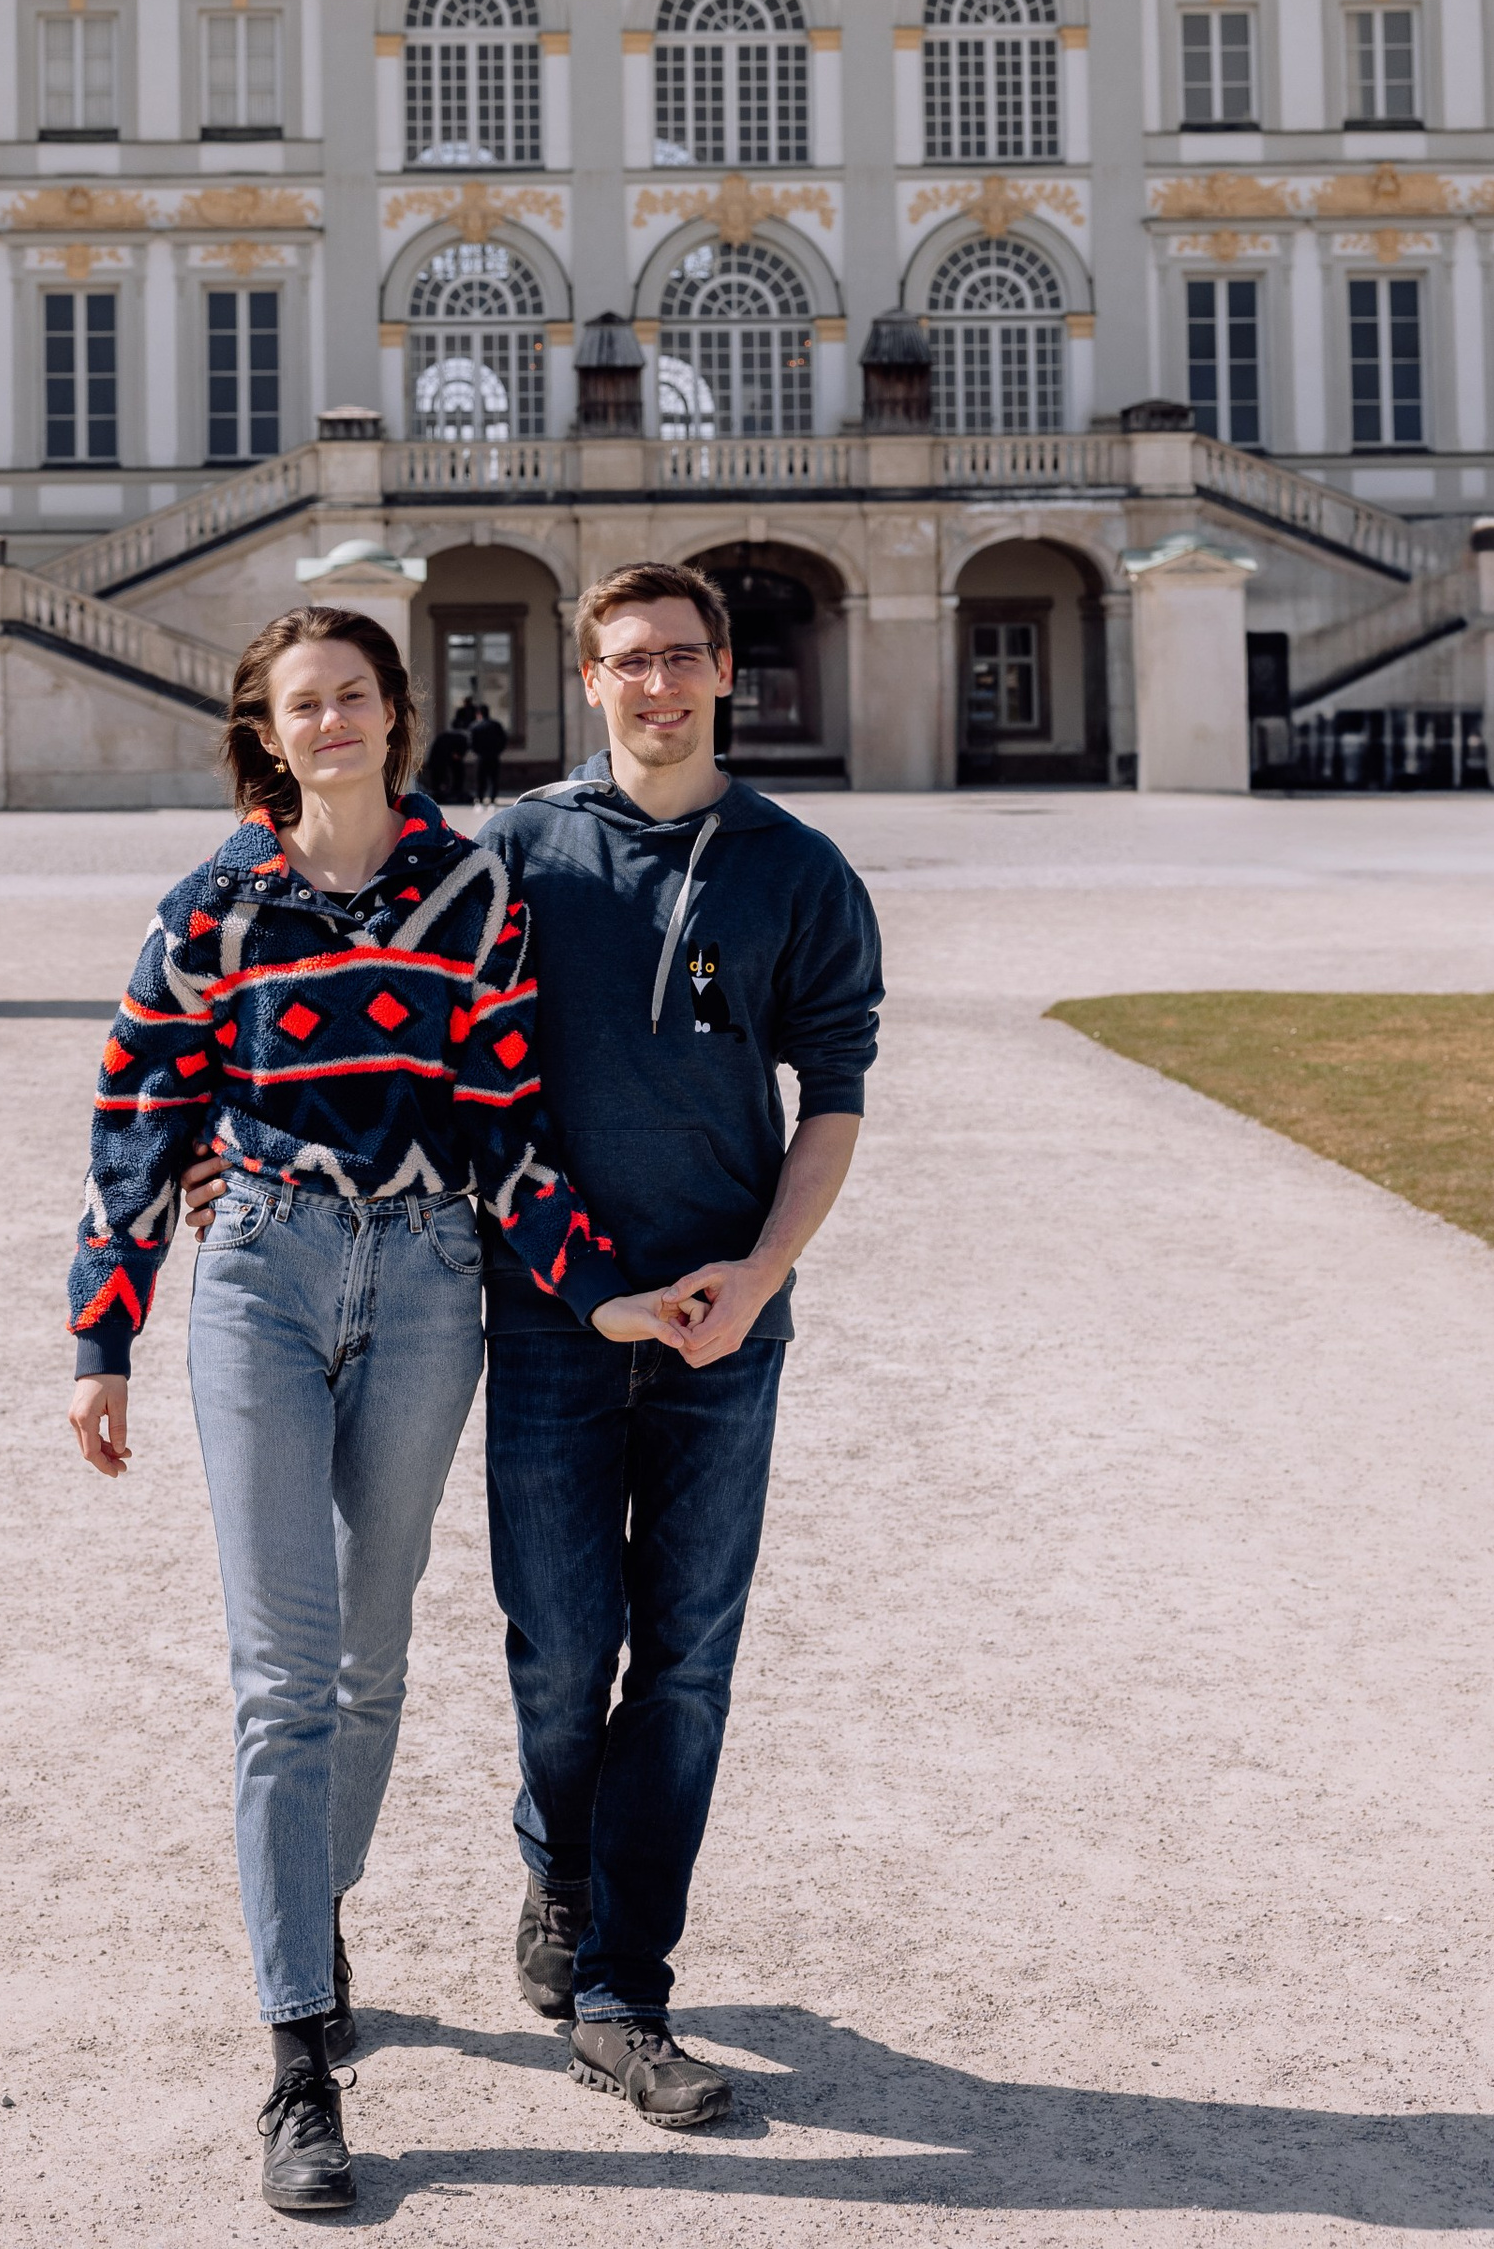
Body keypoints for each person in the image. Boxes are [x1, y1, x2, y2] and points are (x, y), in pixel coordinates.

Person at [66, 603, 699, 2221]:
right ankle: (297, 2055)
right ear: (265, 730)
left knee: (370, 1650)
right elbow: (141, 1104)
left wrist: (594, 1283)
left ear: (396, 714)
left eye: (355, 694)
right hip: (265, 1272)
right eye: (304, 702)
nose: (333, 720)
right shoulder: (218, 900)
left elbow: (507, 1117)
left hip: (427, 1280)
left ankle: (313, 1905)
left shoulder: (470, 888)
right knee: (282, 1676)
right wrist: (105, 1332)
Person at [474, 559, 884, 2125]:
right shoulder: (518, 849)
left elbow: (833, 1091)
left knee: (689, 1663)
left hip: (724, 1324)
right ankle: (556, 1866)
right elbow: (445, 1066)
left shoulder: (796, 866)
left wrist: (764, 1272)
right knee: (565, 1649)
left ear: (725, 672)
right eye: (627, 659)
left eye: (682, 656)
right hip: (560, 1314)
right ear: (589, 680)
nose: (657, 683)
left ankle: (626, 1983)